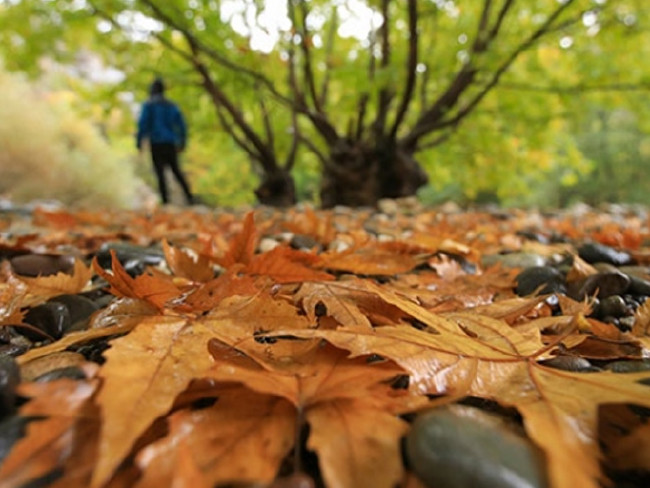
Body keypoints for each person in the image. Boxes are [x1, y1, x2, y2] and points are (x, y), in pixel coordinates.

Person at [136, 77, 194, 205]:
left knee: (159, 173)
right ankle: (190, 198)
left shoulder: (149, 105)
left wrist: (140, 141)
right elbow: (182, 125)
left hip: (156, 143)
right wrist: (182, 141)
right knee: (176, 170)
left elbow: (143, 124)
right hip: (170, 142)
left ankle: (166, 202)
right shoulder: (171, 106)